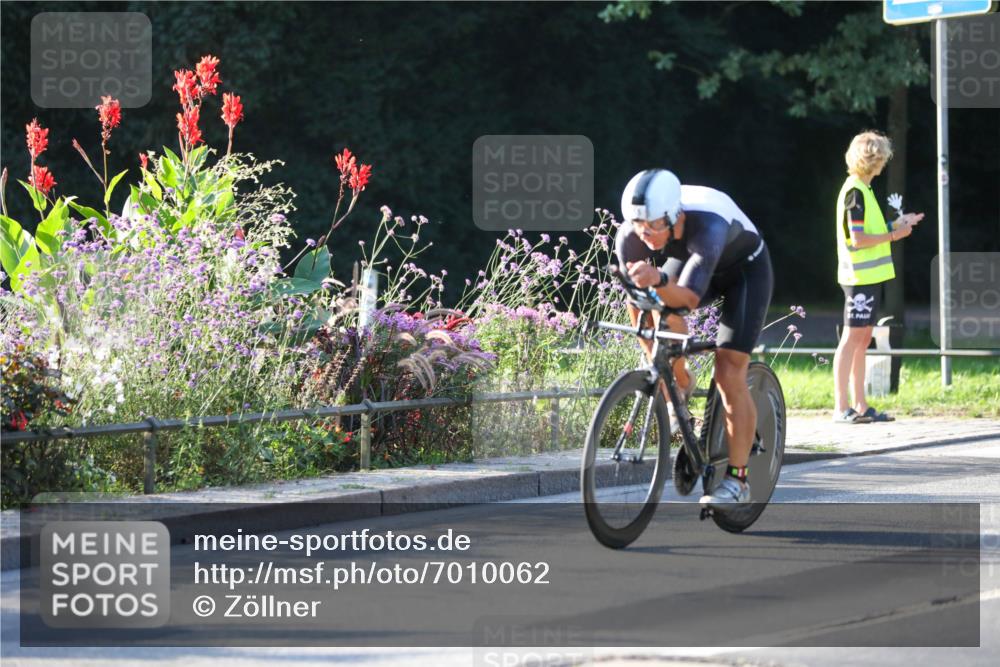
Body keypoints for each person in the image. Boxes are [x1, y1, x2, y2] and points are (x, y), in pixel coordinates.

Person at [615, 169, 773, 508]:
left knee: (729, 372)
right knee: (648, 304)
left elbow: (686, 298)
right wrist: (656, 362)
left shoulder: (709, 225)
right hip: (694, 262)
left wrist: (657, 278)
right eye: (639, 226)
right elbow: (637, 300)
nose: (645, 235)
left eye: (654, 226)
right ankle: (679, 386)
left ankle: (738, 480)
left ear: (674, 217)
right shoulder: (632, 232)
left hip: (744, 272)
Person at [832, 131, 923, 424]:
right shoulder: (856, 191)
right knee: (851, 339)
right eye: (882, 156)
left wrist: (895, 223)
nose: (884, 162)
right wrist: (895, 234)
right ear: (874, 159)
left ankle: (860, 404)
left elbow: (866, 230)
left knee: (862, 339)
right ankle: (841, 407)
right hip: (859, 277)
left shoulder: (863, 190)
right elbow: (857, 239)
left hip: (868, 278)